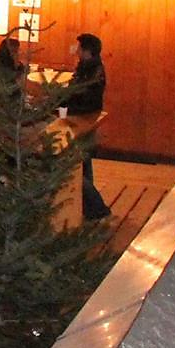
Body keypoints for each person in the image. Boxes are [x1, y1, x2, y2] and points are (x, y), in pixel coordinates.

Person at [67, 33, 110, 221]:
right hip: (84, 118)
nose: (76, 51)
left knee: (79, 167)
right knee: (84, 164)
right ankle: (88, 209)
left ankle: (98, 209)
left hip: (84, 118)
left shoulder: (92, 71)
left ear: (87, 51)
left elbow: (82, 95)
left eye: (79, 48)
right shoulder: (90, 67)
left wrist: (65, 99)